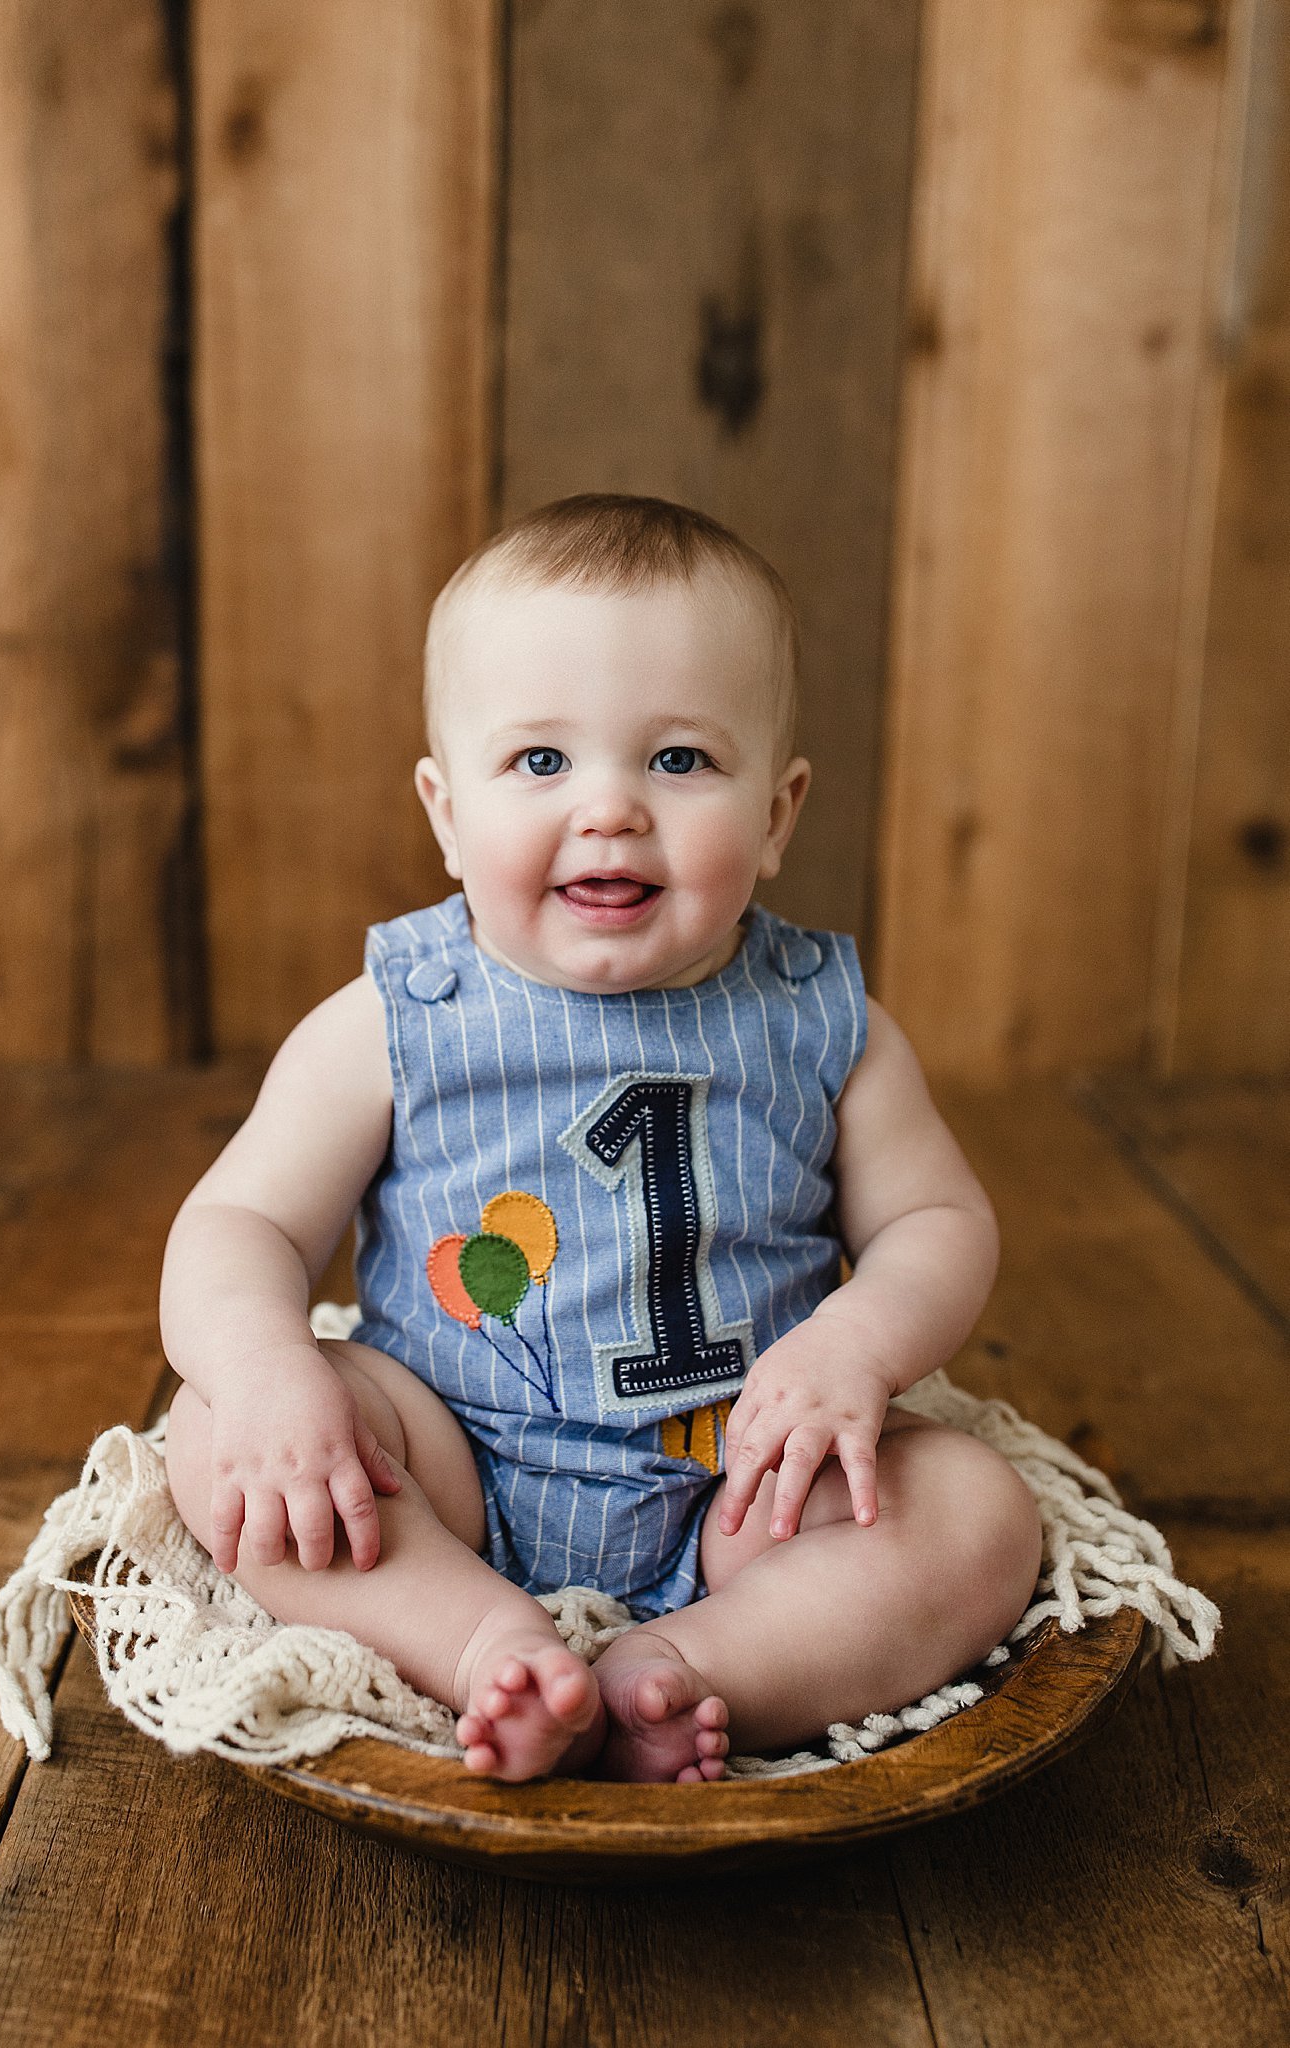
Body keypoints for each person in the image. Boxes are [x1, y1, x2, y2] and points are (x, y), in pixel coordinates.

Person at [161, 494, 1043, 1784]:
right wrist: (266, 1371)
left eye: (680, 760)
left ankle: (687, 1672)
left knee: (976, 1515)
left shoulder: (822, 1020)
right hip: (443, 1466)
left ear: (781, 811)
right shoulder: (399, 1017)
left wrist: (857, 1341)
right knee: (215, 1436)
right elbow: (242, 1222)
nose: (612, 810)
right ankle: (476, 1641)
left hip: (744, 1480)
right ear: (447, 812)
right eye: (539, 763)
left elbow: (936, 1223)